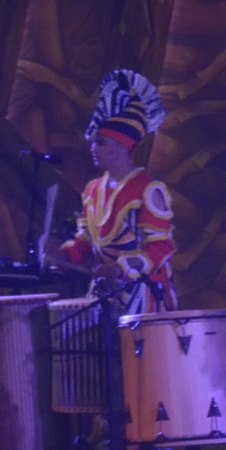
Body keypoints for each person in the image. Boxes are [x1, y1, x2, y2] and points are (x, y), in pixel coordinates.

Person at [45, 69, 176, 315]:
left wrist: (120, 268)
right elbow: (86, 241)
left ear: (120, 148)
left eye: (100, 142)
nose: (93, 147)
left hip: (142, 294)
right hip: (106, 292)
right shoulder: (93, 189)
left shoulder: (147, 190)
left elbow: (161, 248)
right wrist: (62, 255)